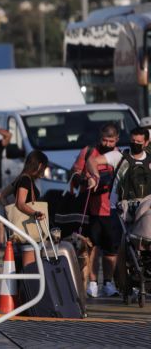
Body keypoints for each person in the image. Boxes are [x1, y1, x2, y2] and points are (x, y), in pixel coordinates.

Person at [86, 126, 151, 297]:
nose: (135, 144)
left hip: (145, 208)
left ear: (146, 143)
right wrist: (95, 176)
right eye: (132, 141)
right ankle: (120, 280)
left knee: (143, 241)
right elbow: (92, 161)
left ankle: (141, 275)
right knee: (116, 246)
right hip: (121, 208)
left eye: (139, 142)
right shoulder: (119, 156)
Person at [69, 123, 119, 298]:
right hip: (91, 206)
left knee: (111, 249)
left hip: (112, 208)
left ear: (117, 140)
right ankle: (92, 282)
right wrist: (86, 179)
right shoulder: (89, 152)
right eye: (104, 140)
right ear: (100, 138)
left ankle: (108, 282)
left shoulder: (118, 155)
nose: (107, 144)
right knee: (92, 247)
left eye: (111, 141)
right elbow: (74, 174)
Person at [12, 150, 49, 268]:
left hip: (25, 226)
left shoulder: (20, 178)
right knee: (29, 266)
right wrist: (35, 213)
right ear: (39, 166)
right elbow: (21, 203)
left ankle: (28, 286)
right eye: (44, 167)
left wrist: (9, 213)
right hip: (28, 229)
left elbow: (1, 196)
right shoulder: (25, 180)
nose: (43, 171)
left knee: (31, 265)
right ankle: (28, 286)